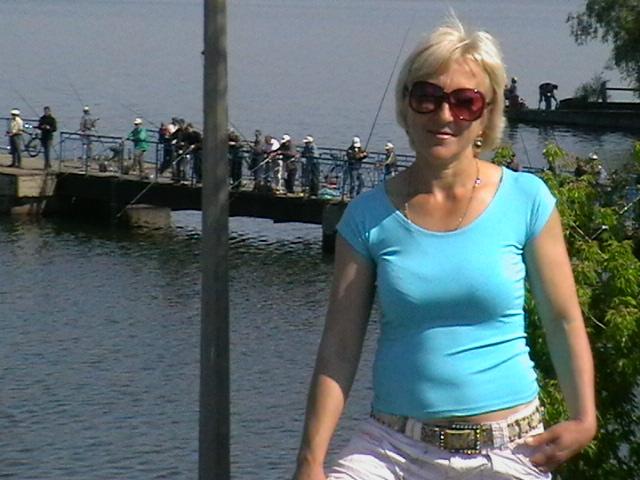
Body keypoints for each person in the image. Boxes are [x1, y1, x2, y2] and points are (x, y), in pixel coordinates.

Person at [293, 16, 595, 480]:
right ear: (406, 105)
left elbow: (562, 319)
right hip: (392, 448)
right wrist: (310, 462)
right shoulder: (367, 217)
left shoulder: (527, 200)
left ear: (487, 114)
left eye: (464, 101)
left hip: (510, 449)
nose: (444, 115)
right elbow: (339, 346)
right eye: (427, 97)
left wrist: (583, 418)